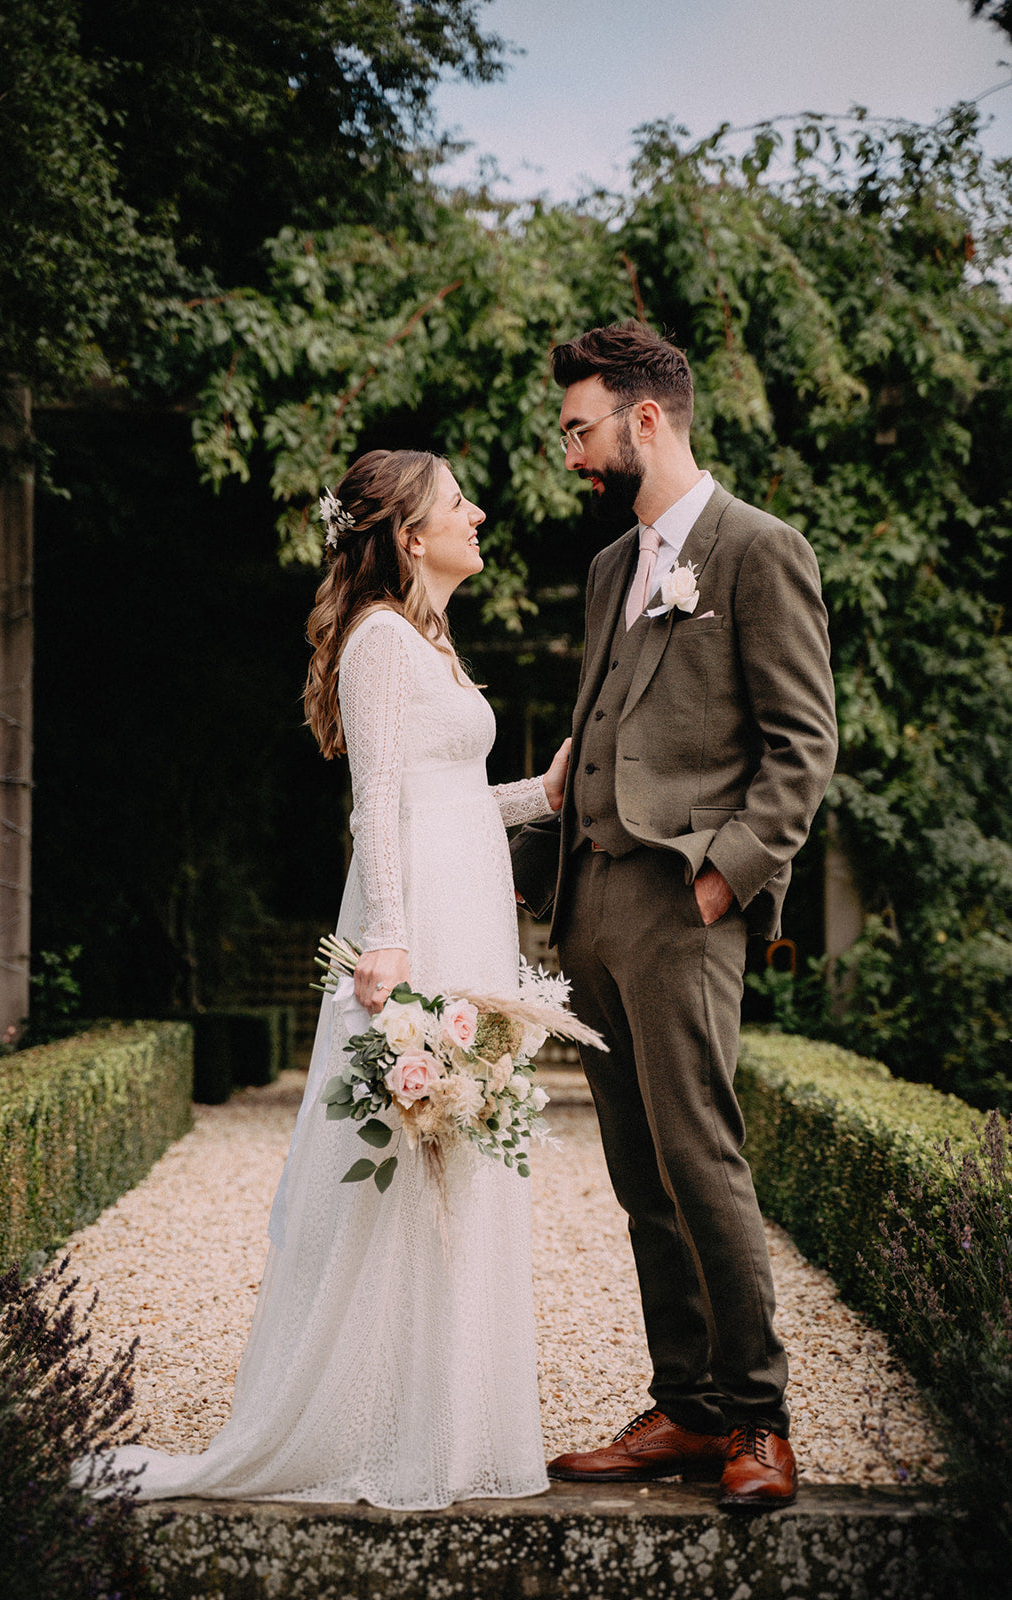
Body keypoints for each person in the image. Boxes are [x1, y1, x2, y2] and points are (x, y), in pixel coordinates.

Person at [91, 448, 569, 1509]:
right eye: (458, 503)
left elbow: (441, 802)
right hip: (421, 927)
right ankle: (383, 1429)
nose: (478, 512)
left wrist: (539, 792)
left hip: (463, 909)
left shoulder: (430, 641)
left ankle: (441, 1419)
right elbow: (377, 802)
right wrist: (391, 940)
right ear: (409, 534)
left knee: (459, 1148)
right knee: (407, 1153)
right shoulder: (379, 641)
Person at [511, 320, 838, 1511]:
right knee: (639, 1169)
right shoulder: (610, 572)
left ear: (645, 419)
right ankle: (689, 1408)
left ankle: (758, 1419)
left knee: (701, 1157)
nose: (571, 456)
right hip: (588, 906)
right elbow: (593, 732)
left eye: (579, 430)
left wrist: (721, 881)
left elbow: (801, 749)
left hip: (683, 906)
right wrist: (533, 867)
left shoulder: (757, 549)